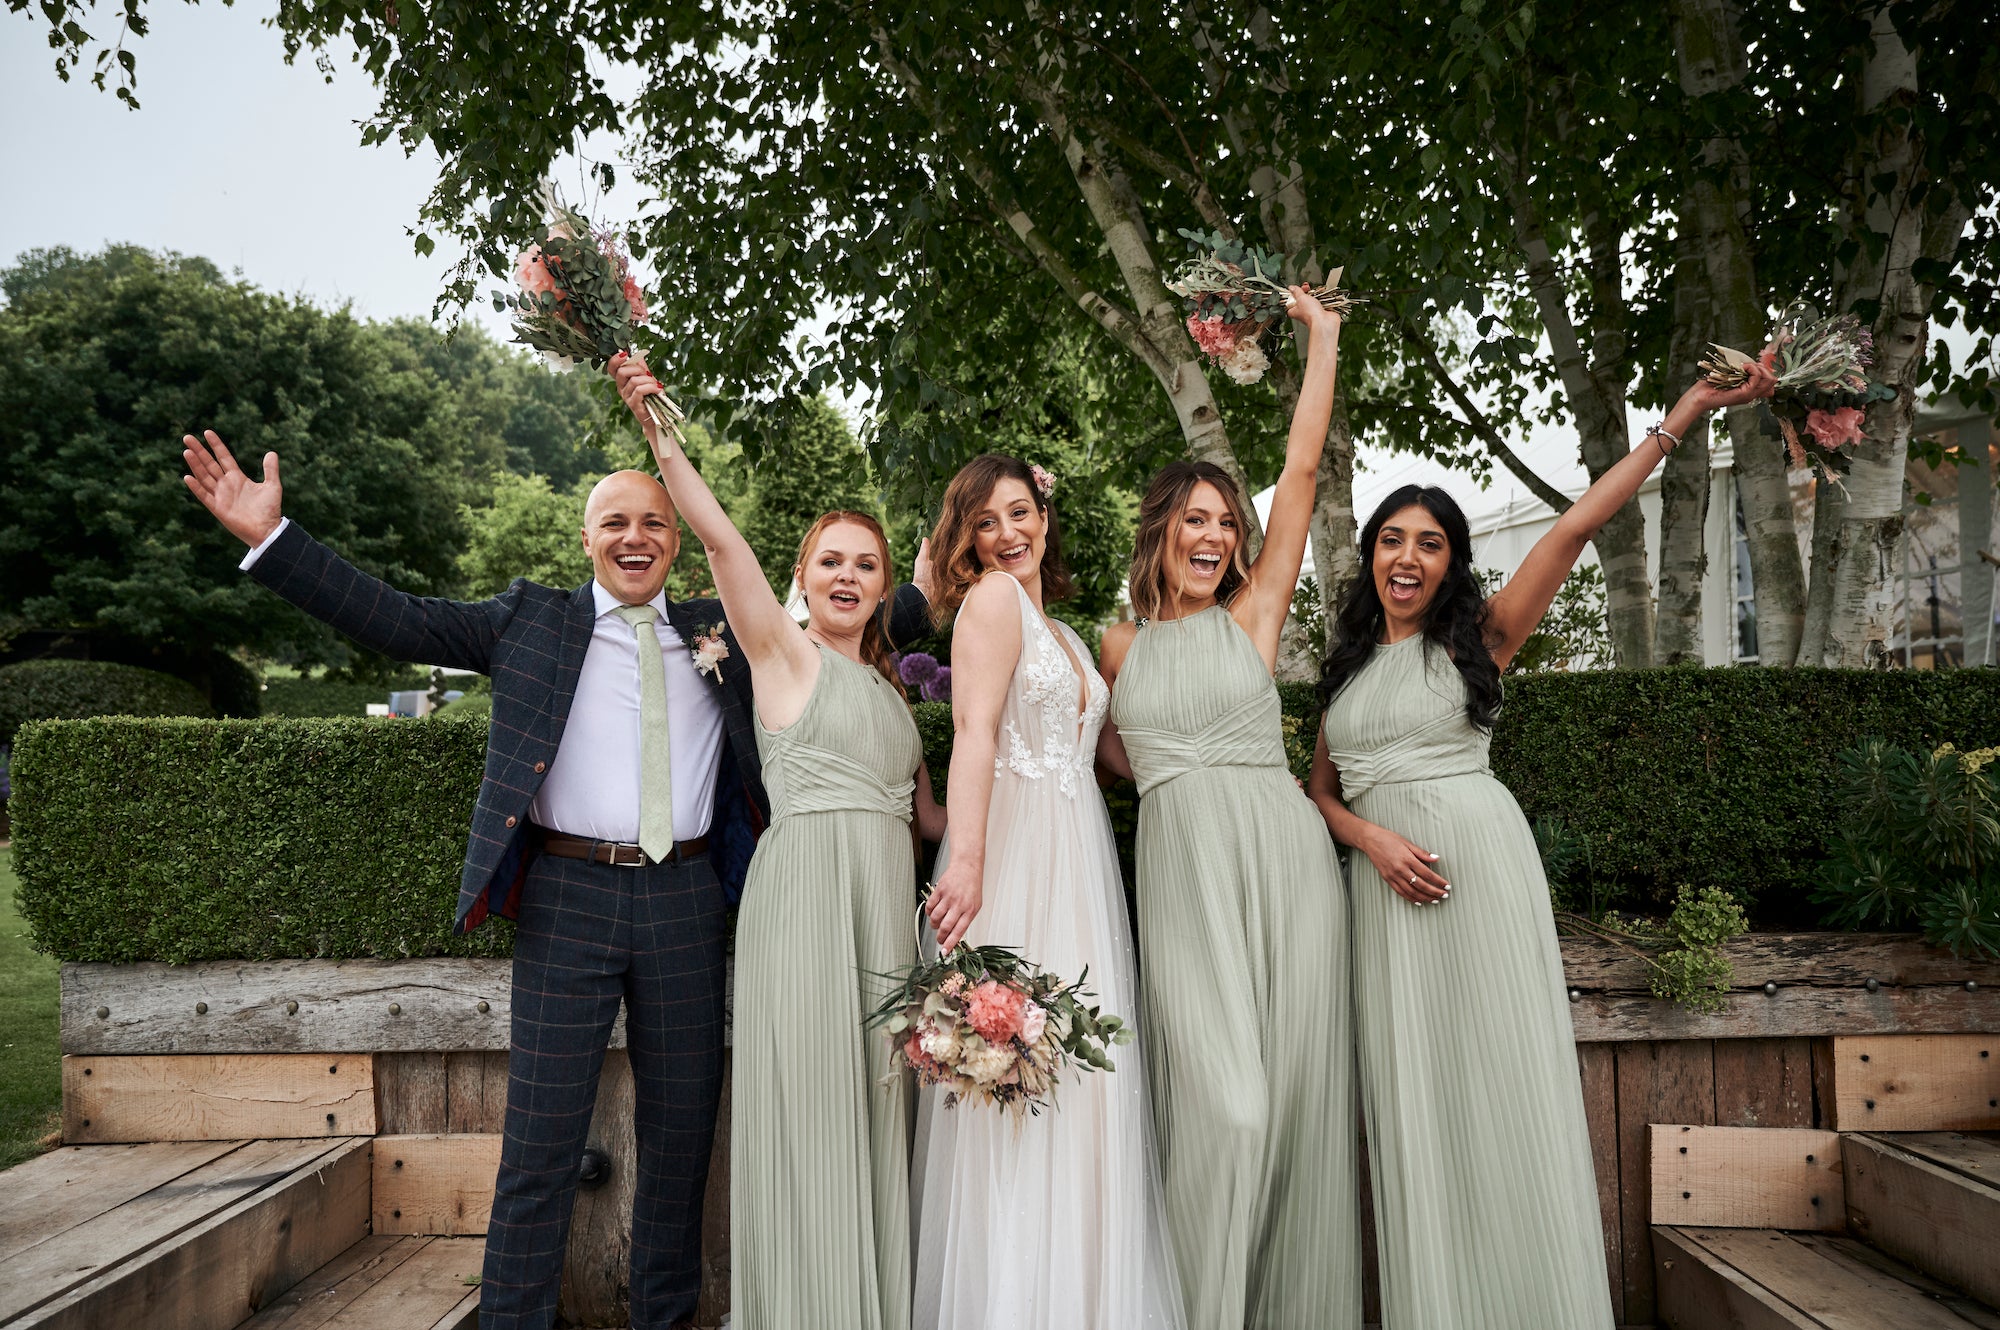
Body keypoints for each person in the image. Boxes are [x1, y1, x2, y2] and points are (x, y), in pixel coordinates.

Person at [180, 429, 931, 1330]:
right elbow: (397, 616)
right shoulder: (530, 619)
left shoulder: (719, 631)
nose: (635, 535)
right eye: (614, 521)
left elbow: (844, 612)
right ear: (588, 540)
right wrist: (274, 540)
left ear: (677, 541)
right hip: (568, 902)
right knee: (538, 1149)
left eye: (654, 521)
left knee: (682, 1146)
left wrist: (943, 571)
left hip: (687, 901)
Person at [1306, 361, 1778, 1327]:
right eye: (1390, 540)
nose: (1406, 557)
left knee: (1497, 1086)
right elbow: (1318, 790)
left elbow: (1573, 527)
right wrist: (1368, 840)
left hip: (1475, 878)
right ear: (1369, 556)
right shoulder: (1346, 670)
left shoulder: (1481, 637)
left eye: (1428, 544)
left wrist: (1681, 413)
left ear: (1451, 562)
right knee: (1418, 1102)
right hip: (1383, 894)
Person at [610, 353, 944, 1330]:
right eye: (828, 560)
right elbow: (715, 540)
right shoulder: (780, 655)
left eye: (864, 565)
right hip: (801, 909)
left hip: (884, 918)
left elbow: (932, 823)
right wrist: (657, 428)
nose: (845, 575)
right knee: (815, 1119)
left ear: (884, 590)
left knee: (879, 1113)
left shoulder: (894, 696)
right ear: (801, 576)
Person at [1099, 287, 1361, 1328]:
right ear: (1161, 528)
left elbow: (1298, 472)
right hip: (1184, 877)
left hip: (1285, 864)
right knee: (1228, 1110)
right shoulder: (1112, 644)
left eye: (1224, 523)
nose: (1213, 535)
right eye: (1195, 519)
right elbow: (1103, 753)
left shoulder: (1251, 613)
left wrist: (1320, 339)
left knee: (1292, 1111)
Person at [910, 454, 1185, 1330]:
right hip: (1019, 859)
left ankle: (1085, 1297)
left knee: (1083, 1079)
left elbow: (1110, 754)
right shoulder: (992, 603)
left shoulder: (1062, 634)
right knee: (1017, 1072)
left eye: (1020, 512)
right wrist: (970, 861)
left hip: (1081, 863)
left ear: (1043, 516)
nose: (1008, 533)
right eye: (985, 521)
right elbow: (974, 732)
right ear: (967, 540)